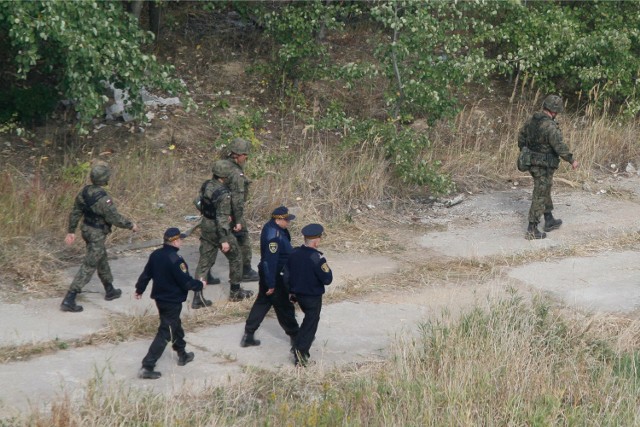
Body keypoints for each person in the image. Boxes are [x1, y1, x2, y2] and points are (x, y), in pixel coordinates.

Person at [61, 161, 139, 312]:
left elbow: (76, 212)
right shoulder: (104, 199)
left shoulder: (84, 192)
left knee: (101, 258)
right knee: (90, 264)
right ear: (104, 179)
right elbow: (114, 218)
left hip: (86, 230)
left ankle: (110, 289)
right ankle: (70, 297)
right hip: (97, 233)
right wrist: (131, 225)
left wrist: (71, 231)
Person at [134, 227, 206, 379]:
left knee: (175, 325)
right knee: (165, 332)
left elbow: (146, 275)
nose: (182, 242)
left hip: (160, 299)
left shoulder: (155, 255)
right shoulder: (176, 260)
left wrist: (139, 289)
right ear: (175, 241)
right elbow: (186, 283)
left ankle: (182, 354)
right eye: (180, 239)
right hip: (172, 300)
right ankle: (147, 366)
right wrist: (200, 285)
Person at [518, 94, 579, 240]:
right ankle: (532, 228)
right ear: (554, 111)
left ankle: (549, 219)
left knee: (545, 188)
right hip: (543, 165)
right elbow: (559, 147)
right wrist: (571, 160)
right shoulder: (550, 126)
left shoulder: (532, 120)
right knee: (540, 192)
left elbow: (521, 136)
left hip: (531, 162)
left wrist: (526, 151)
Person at [192, 160, 252, 307]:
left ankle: (197, 297)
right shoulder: (224, 194)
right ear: (225, 176)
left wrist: (207, 213)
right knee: (236, 257)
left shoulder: (206, 185)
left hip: (205, 225)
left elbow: (197, 201)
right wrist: (224, 239)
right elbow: (221, 219)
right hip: (218, 229)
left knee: (204, 261)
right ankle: (235, 292)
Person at [240, 206, 300, 347]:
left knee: (263, 302)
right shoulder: (274, 236)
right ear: (278, 219)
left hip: (272, 274)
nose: (288, 222)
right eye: (286, 220)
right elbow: (269, 261)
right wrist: (271, 283)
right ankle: (296, 335)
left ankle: (249, 334)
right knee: (284, 306)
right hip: (275, 275)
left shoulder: (277, 229)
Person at [285, 224, 333, 367]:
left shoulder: (294, 253)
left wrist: (291, 292)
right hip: (312, 297)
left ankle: (297, 346)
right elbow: (327, 279)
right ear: (316, 241)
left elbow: (286, 276)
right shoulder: (317, 258)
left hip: (297, 295)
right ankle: (301, 355)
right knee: (310, 325)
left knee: (307, 322)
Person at [220, 137, 260, 282]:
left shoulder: (222, 165)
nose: (246, 157)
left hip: (220, 211)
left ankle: (205, 274)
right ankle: (245, 270)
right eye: (245, 155)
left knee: (211, 242)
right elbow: (237, 199)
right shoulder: (236, 173)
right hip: (231, 211)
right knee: (243, 239)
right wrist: (238, 219)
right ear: (239, 155)